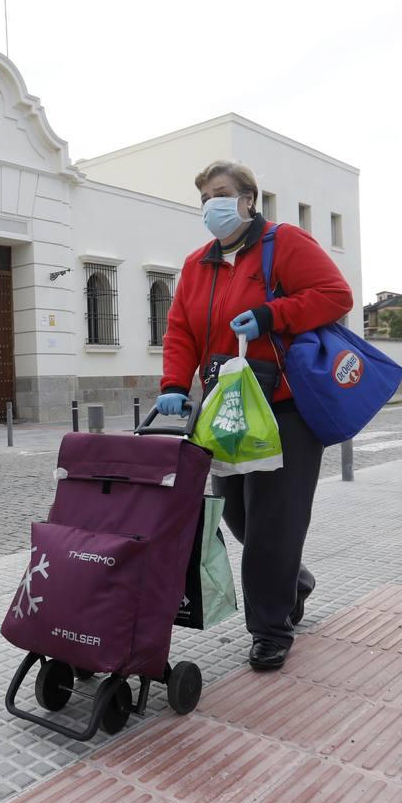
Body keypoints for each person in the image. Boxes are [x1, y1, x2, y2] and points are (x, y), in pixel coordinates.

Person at [155, 160, 352, 671]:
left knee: (273, 525)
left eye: (219, 194)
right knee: (239, 515)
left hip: (284, 406)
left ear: (247, 199)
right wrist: (175, 386)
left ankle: (270, 628)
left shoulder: (284, 244)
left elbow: (336, 296)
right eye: (203, 198)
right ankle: (294, 580)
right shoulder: (197, 264)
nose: (210, 206)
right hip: (228, 409)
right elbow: (180, 331)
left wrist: (272, 314)